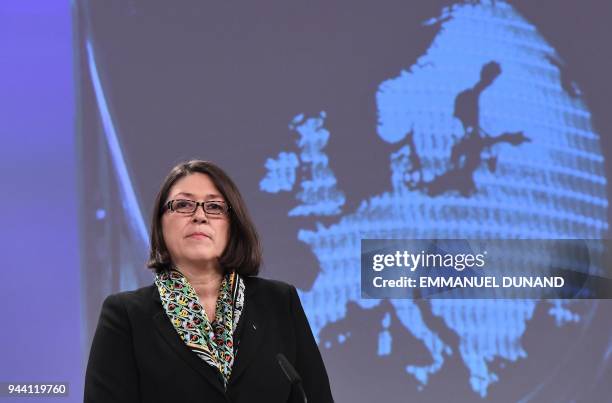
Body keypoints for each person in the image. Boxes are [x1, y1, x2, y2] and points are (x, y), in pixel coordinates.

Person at [84, 160, 334, 402]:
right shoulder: (125, 316)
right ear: (160, 225)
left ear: (233, 225)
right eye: (183, 205)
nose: (200, 216)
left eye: (214, 207)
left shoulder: (280, 302)